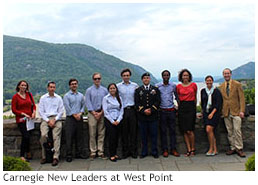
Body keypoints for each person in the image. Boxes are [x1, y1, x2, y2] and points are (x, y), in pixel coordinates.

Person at [219, 68, 246, 157]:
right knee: (230, 131)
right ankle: (233, 147)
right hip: (226, 112)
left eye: (228, 73)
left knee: (237, 130)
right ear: (223, 75)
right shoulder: (221, 86)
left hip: (236, 111)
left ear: (230, 74)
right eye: (225, 74)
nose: (226, 75)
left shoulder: (237, 84)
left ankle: (239, 148)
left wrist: (242, 110)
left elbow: (241, 98)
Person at [135, 72, 161, 158]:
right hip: (142, 117)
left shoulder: (155, 89)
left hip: (153, 116)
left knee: (154, 135)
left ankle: (154, 152)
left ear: (149, 79)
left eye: (147, 78)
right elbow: (137, 103)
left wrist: (151, 110)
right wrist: (143, 110)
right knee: (143, 136)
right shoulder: (138, 90)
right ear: (142, 80)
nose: (146, 79)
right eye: (144, 78)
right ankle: (144, 152)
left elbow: (158, 101)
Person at [39, 81, 64, 166]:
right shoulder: (43, 98)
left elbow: (61, 111)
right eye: (50, 87)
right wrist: (48, 120)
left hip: (56, 118)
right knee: (43, 135)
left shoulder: (58, 98)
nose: (52, 89)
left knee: (56, 136)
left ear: (55, 88)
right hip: (45, 119)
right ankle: (44, 156)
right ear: (48, 88)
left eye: (53, 87)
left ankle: (55, 157)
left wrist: (55, 119)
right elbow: (41, 111)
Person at [156, 70, 180, 157]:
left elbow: (177, 97)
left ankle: (173, 149)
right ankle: (165, 150)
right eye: (164, 75)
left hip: (171, 110)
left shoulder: (173, 86)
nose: (166, 77)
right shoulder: (158, 86)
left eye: (167, 75)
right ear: (162, 76)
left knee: (172, 131)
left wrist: (178, 108)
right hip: (162, 111)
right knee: (163, 131)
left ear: (169, 76)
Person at [63, 78, 87, 162]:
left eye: (75, 84)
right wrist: (74, 115)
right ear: (70, 86)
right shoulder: (66, 96)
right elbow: (67, 107)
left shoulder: (81, 95)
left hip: (79, 118)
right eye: (72, 84)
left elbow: (83, 106)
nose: (74, 85)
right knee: (69, 137)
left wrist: (80, 114)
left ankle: (78, 153)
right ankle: (69, 155)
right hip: (70, 118)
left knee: (79, 136)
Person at [11, 80, 36, 162]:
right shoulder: (15, 97)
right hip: (21, 119)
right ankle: (22, 155)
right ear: (19, 86)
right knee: (25, 136)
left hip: (30, 119)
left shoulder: (29, 94)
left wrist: (34, 113)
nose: (24, 87)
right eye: (22, 85)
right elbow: (14, 110)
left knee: (29, 136)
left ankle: (28, 152)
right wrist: (23, 114)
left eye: (25, 85)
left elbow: (33, 105)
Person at [85, 72, 108, 160]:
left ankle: (100, 151)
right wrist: (94, 113)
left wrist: (101, 112)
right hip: (92, 114)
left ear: (101, 79)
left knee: (101, 133)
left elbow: (106, 102)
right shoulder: (89, 90)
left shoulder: (105, 90)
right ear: (93, 80)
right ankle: (93, 151)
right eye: (95, 79)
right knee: (92, 133)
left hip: (102, 113)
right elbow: (88, 102)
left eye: (98, 78)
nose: (97, 80)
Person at [117, 68, 138, 159]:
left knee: (133, 132)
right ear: (122, 76)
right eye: (124, 75)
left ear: (130, 76)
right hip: (123, 110)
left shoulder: (135, 85)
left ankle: (133, 151)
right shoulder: (118, 86)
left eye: (127, 75)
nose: (126, 77)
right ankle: (125, 152)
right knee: (124, 132)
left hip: (133, 110)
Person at [176, 69, 197, 157]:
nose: (185, 77)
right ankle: (188, 149)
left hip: (191, 107)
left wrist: (195, 109)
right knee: (184, 130)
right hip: (182, 108)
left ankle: (193, 148)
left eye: (187, 75)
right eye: (184, 75)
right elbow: (177, 98)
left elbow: (195, 97)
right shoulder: (178, 87)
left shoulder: (194, 85)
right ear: (181, 77)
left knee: (190, 130)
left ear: (189, 76)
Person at [200, 75, 223, 156]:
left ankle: (211, 148)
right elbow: (202, 103)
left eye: (210, 80)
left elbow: (218, 104)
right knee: (211, 131)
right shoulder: (203, 91)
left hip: (214, 113)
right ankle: (215, 149)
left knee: (209, 129)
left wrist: (212, 113)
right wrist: (202, 112)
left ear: (212, 81)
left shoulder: (216, 91)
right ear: (205, 82)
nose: (209, 82)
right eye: (207, 80)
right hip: (206, 113)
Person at [102, 83, 124, 162]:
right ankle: (111, 154)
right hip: (109, 120)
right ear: (108, 90)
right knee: (111, 138)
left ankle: (115, 153)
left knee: (117, 137)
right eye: (111, 88)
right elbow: (105, 111)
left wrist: (118, 120)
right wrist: (112, 121)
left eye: (114, 88)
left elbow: (122, 110)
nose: (112, 90)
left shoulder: (119, 98)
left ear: (116, 89)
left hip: (118, 120)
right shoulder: (106, 98)